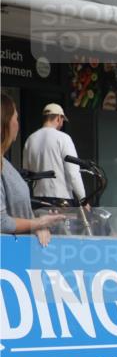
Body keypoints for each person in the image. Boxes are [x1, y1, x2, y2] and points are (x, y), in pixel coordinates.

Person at [1, 94, 64, 245]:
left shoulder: (28, 142)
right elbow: (2, 222)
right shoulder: (62, 138)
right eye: (15, 118)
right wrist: (37, 223)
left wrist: (35, 226)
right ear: (5, 122)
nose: (17, 123)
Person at [22, 103, 86, 202]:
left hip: (38, 198)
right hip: (61, 199)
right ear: (59, 118)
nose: (62, 123)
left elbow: (26, 173)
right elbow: (73, 172)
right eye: (62, 120)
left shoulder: (30, 139)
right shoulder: (63, 138)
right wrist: (82, 198)